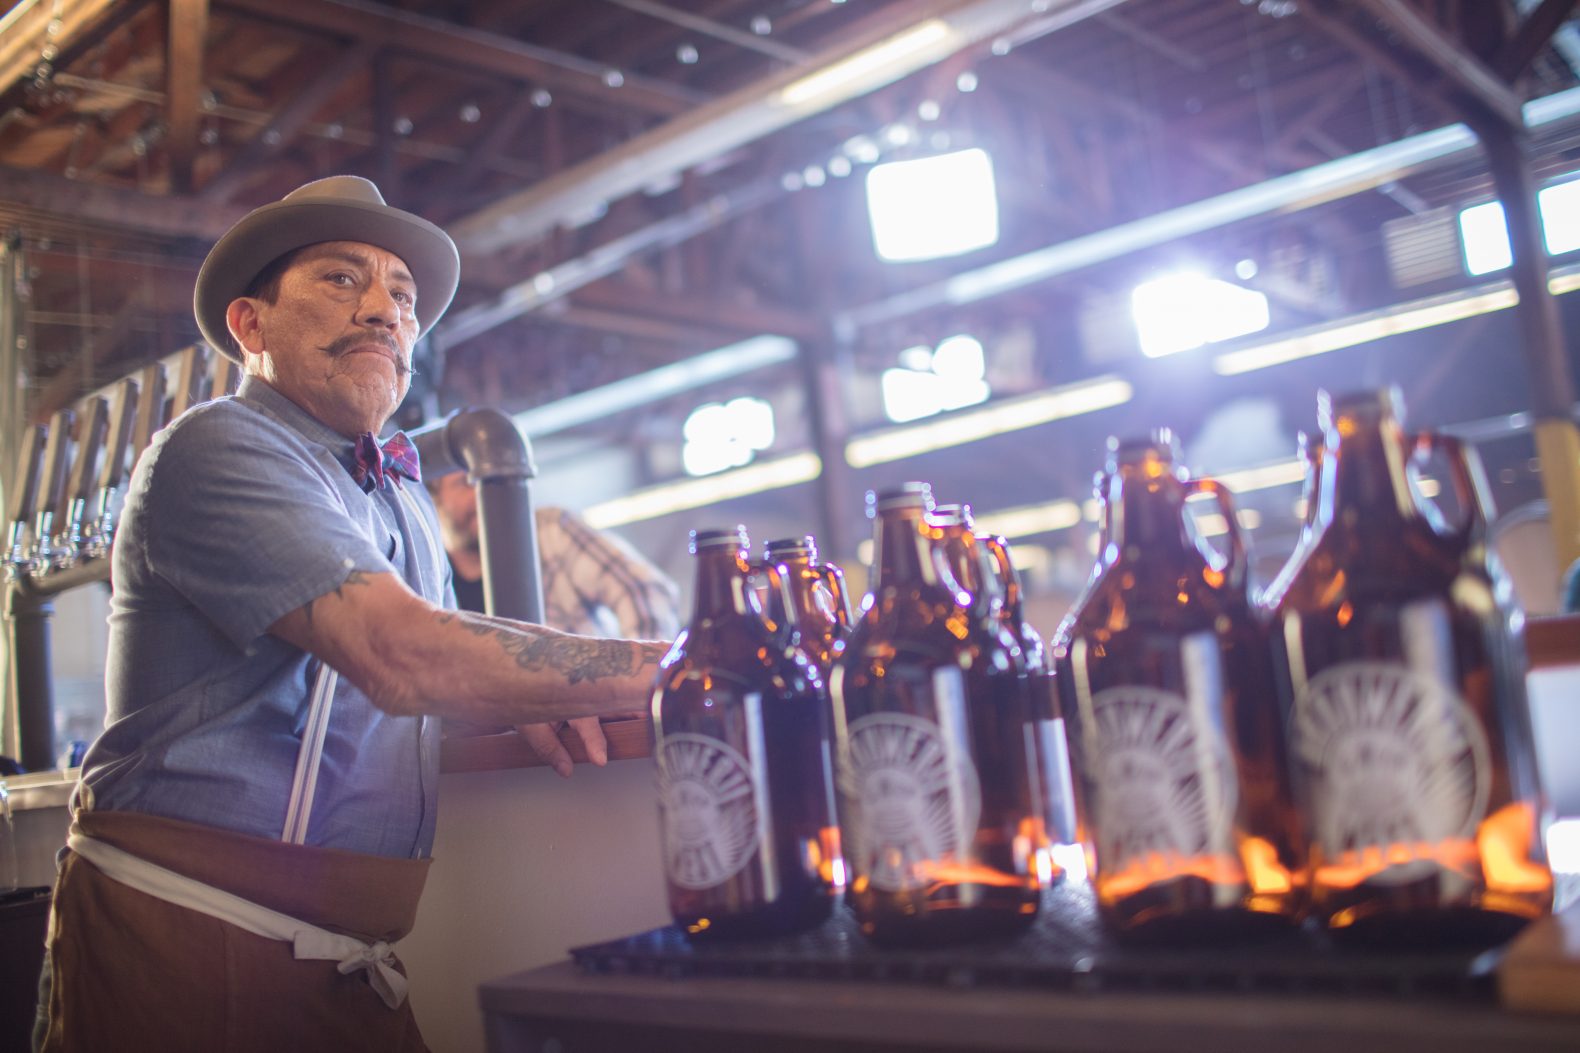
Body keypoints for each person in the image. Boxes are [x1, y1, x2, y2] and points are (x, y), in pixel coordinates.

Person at [35, 176, 667, 1053]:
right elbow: (401, 652)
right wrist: (681, 663)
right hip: (187, 936)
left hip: (344, 961)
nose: (383, 310)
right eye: (341, 279)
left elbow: (423, 681)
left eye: (402, 296)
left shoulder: (398, 492)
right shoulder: (218, 445)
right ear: (250, 326)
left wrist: (532, 696)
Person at [425, 471, 680, 637]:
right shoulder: (427, 573)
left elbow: (643, 589)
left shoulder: (550, 530)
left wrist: (637, 685)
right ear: (434, 500)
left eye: (485, 480)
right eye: (464, 483)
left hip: (584, 711)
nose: (481, 494)